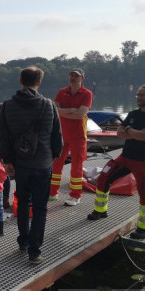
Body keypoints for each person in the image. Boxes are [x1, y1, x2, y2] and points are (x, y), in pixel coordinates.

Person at [0, 67, 62, 264]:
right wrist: (53, 157)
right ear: (39, 82)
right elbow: (57, 137)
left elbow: (4, 138)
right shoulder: (49, 105)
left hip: (21, 163)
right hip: (43, 163)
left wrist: (7, 160)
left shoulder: (8, 105)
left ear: (21, 81)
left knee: (23, 202)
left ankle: (23, 242)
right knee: (40, 208)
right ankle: (35, 252)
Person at [88, 85, 145, 239]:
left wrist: (129, 130)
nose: (139, 98)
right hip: (125, 157)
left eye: (143, 95)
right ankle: (101, 211)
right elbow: (119, 133)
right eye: (138, 95)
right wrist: (135, 133)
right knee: (104, 176)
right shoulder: (133, 114)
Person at [50, 68, 93, 206]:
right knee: (56, 163)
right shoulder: (62, 91)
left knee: (76, 166)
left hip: (78, 135)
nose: (73, 78)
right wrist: (71, 110)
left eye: (76, 76)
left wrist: (62, 111)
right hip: (61, 134)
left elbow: (80, 115)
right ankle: (53, 192)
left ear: (82, 79)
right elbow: (54, 110)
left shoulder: (87, 93)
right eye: (71, 75)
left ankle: (75, 195)